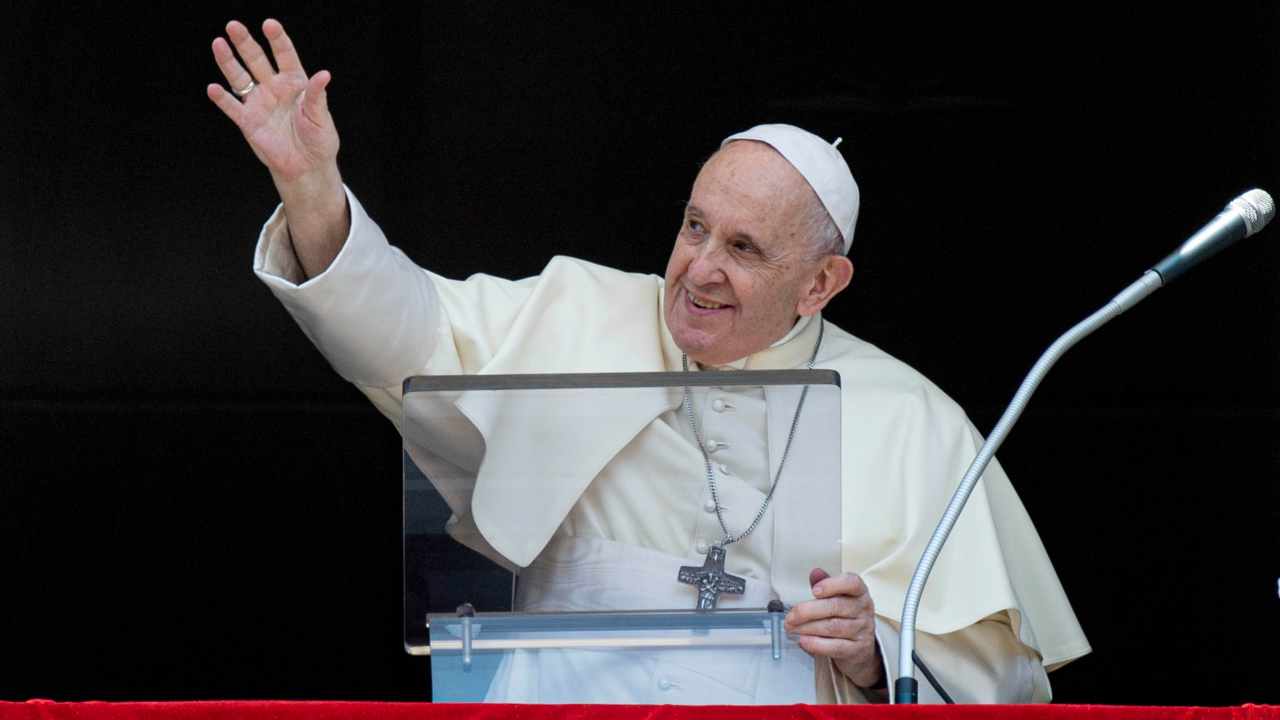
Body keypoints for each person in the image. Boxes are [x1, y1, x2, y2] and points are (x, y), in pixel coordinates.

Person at [208, 19, 1090, 704]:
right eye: (694, 225)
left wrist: (872, 649)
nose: (699, 267)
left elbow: (999, 684)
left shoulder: (911, 419)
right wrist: (312, 188)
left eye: (744, 248)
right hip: (559, 709)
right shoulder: (581, 315)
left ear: (821, 282)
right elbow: (400, 331)